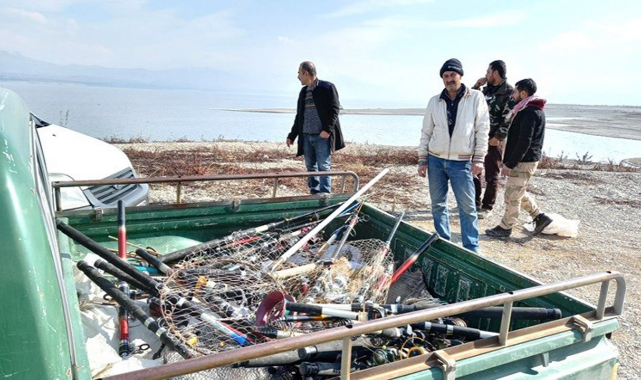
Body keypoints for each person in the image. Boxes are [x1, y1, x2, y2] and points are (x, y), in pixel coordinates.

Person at [418, 58, 490, 253]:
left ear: (460, 76)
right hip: (436, 160)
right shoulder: (435, 101)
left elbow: (482, 130)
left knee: (467, 207)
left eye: (453, 75)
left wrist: (479, 158)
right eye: (445, 76)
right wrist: (422, 159)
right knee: (438, 204)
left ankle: (471, 248)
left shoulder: (475, 98)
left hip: (462, 161)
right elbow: (426, 131)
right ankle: (444, 241)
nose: (449, 79)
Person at [485, 78, 553, 238]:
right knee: (518, 192)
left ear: (523, 93)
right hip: (526, 160)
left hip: (524, 161)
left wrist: (510, 163)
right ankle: (540, 217)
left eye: (515, 92)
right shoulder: (531, 110)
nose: (512, 95)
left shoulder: (529, 113)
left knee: (511, 194)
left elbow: (524, 141)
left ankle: (505, 227)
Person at [286, 61, 345, 194]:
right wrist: (292, 135)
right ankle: (314, 192)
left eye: (299, 73)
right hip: (306, 135)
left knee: (323, 166)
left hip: (321, 136)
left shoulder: (327, 87)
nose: (298, 77)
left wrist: (327, 130)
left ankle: (324, 195)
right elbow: (299, 115)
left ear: (306, 73)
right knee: (310, 166)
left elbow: (334, 109)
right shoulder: (303, 91)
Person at [471, 60, 515, 219]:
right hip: (478, 137)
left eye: (488, 72)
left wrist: (498, 138)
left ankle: (487, 206)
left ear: (495, 72)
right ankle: (473, 202)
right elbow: (469, 100)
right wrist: (476, 85)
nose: (486, 75)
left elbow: (508, 118)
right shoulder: (486, 90)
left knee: (491, 173)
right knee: (474, 170)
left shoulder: (508, 92)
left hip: (494, 139)